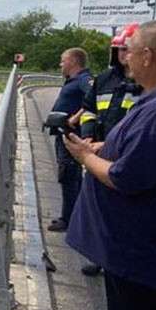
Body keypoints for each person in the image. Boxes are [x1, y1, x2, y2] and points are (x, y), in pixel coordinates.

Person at [64, 19, 156, 310]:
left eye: (131, 50)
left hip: (141, 253)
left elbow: (127, 177)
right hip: (139, 250)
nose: (124, 58)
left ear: (148, 56)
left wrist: (87, 160)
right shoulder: (151, 102)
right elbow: (137, 153)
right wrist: (100, 148)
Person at [69, 24, 143, 275]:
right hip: (97, 150)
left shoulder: (147, 84)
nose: (124, 55)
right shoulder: (104, 79)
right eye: (121, 50)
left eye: (128, 49)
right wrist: (88, 136)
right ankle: (100, 257)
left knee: (126, 208)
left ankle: (119, 260)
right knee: (98, 205)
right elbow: (89, 109)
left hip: (128, 152)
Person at [47, 48, 91, 232]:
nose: (60, 64)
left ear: (73, 61)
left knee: (69, 177)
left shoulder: (83, 79)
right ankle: (72, 216)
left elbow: (92, 97)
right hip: (63, 135)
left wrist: (75, 117)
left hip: (70, 136)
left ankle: (68, 219)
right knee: (70, 177)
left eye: (62, 61)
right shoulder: (73, 80)